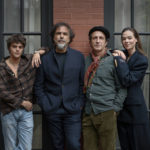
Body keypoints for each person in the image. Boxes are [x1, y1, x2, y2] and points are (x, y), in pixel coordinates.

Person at [34, 22, 85, 150]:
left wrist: (79, 103)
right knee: (56, 145)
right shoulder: (44, 59)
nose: (61, 36)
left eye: (65, 34)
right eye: (58, 33)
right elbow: (39, 85)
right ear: (53, 37)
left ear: (69, 38)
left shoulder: (78, 57)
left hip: (72, 109)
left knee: (74, 144)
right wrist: (45, 104)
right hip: (52, 109)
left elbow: (82, 83)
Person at [0, 34, 48, 150]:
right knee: (10, 147)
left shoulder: (28, 60)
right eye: (14, 46)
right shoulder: (1, 67)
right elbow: (2, 92)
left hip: (26, 112)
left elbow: (47, 49)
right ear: (9, 48)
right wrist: (22, 102)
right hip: (8, 111)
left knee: (26, 147)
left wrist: (37, 53)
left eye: (20, 47)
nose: (17, 49)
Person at [82, 26, 127, 150]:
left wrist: (115, 108)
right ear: (90, 41)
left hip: (107, 111)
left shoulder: (114, 60)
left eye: (101, 38)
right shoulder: (86, 61)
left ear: (106, 42)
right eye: (94, 38)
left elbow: (122, 86)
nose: (97, 41)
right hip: (88, 111)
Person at [113, 27, 150, 150]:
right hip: (121, 109)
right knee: (125, 145)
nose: (126, 41)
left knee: (137, 145)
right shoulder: (122, 53)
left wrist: (119, 60)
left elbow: (127, 79)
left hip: (135, 110)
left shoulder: (141, 59)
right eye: (123, 38)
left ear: (136, 40)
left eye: (129, 38)